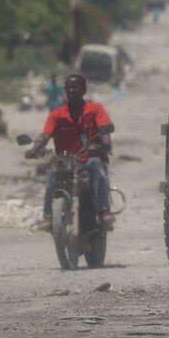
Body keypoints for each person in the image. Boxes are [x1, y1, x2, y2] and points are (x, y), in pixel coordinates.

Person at [25, 72, 115, 231]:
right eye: (69, 88)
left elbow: (104, 130)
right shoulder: (57, 114)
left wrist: (105, 143)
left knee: (99, 170)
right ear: (65, 91)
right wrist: (34, 149)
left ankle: (104, 211)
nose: (72, 91)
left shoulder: (95, 109)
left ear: (84, 90)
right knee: (51, 178)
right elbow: (45, 135)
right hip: (66, 162)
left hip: (89, 158)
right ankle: (48, 217)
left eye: (76, 87)